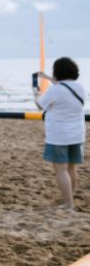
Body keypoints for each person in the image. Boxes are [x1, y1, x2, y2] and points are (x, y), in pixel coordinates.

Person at [35, 57, 86, 210]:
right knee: (71, 169)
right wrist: (48, 78)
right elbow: (63, 87)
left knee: (61, 170)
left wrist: (36, 93)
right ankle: (69, 198)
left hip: (59, 135)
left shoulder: (55, 89)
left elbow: (40, 105)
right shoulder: (79, 87)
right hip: (77, 134)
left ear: (57, 71)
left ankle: (68, 203)